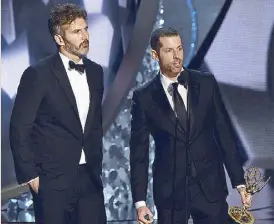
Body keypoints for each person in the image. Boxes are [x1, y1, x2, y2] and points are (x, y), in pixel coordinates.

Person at [129, 27, 252, 224]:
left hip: (210, 187)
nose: (177, 56)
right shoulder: (143, 97)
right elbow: (139, 153)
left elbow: (224, 134)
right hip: (170, 192)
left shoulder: (206, 83)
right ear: (155, 55)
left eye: (179, 48)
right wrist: (140, 202)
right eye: (169, 51)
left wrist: (239, 181)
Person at [9, 3, 106, 224]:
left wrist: (96, 165)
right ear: (60, 39)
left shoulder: (95, 72)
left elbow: (94, 124)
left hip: (90, 179)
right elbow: (19, 127)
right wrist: (31, 177)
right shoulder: (37, 74)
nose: (85, 36)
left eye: (85, 29)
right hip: (52, 182)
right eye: (76, 31)